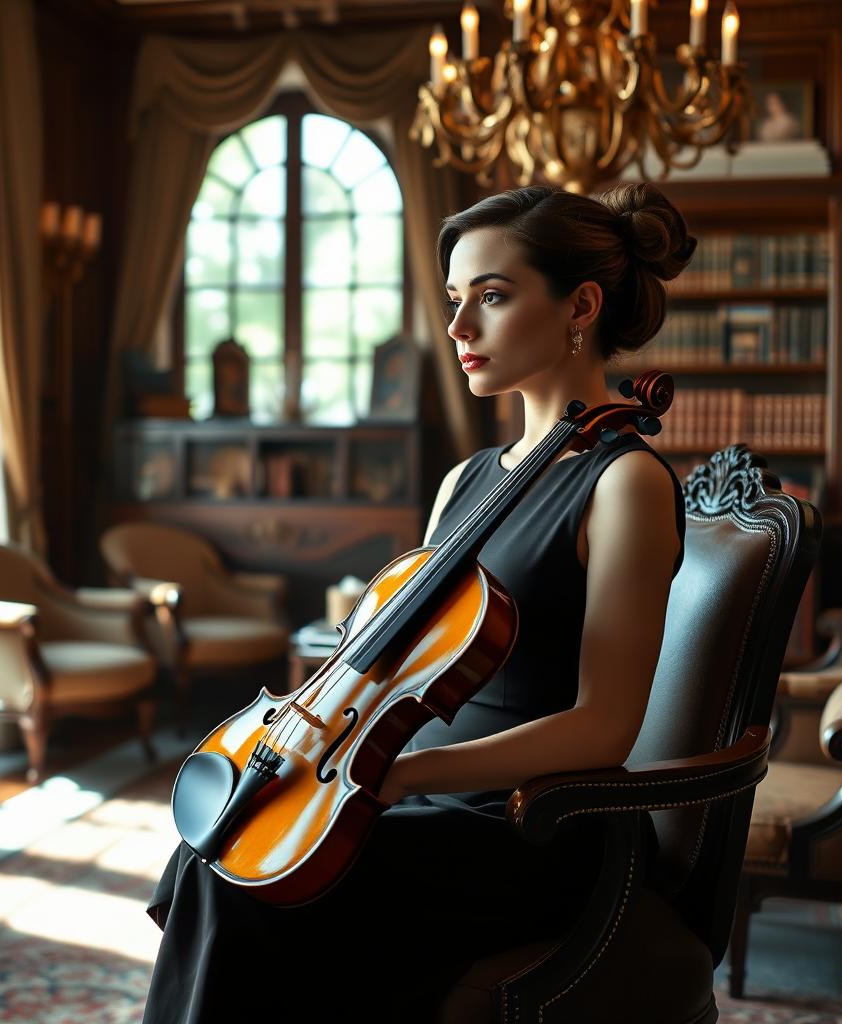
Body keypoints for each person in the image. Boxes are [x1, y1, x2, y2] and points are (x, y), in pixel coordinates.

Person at [141, 180, 696, 1024]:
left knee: (250, 894)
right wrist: (365, 766)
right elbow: (403, 663)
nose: (458, 327)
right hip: (416, 796)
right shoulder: (465, 483)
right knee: (218, 850)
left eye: (493, 296)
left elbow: (604, 725)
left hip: (530, 829)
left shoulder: (624, 483)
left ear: (580, 305)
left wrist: (397, 776)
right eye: (453, 300)